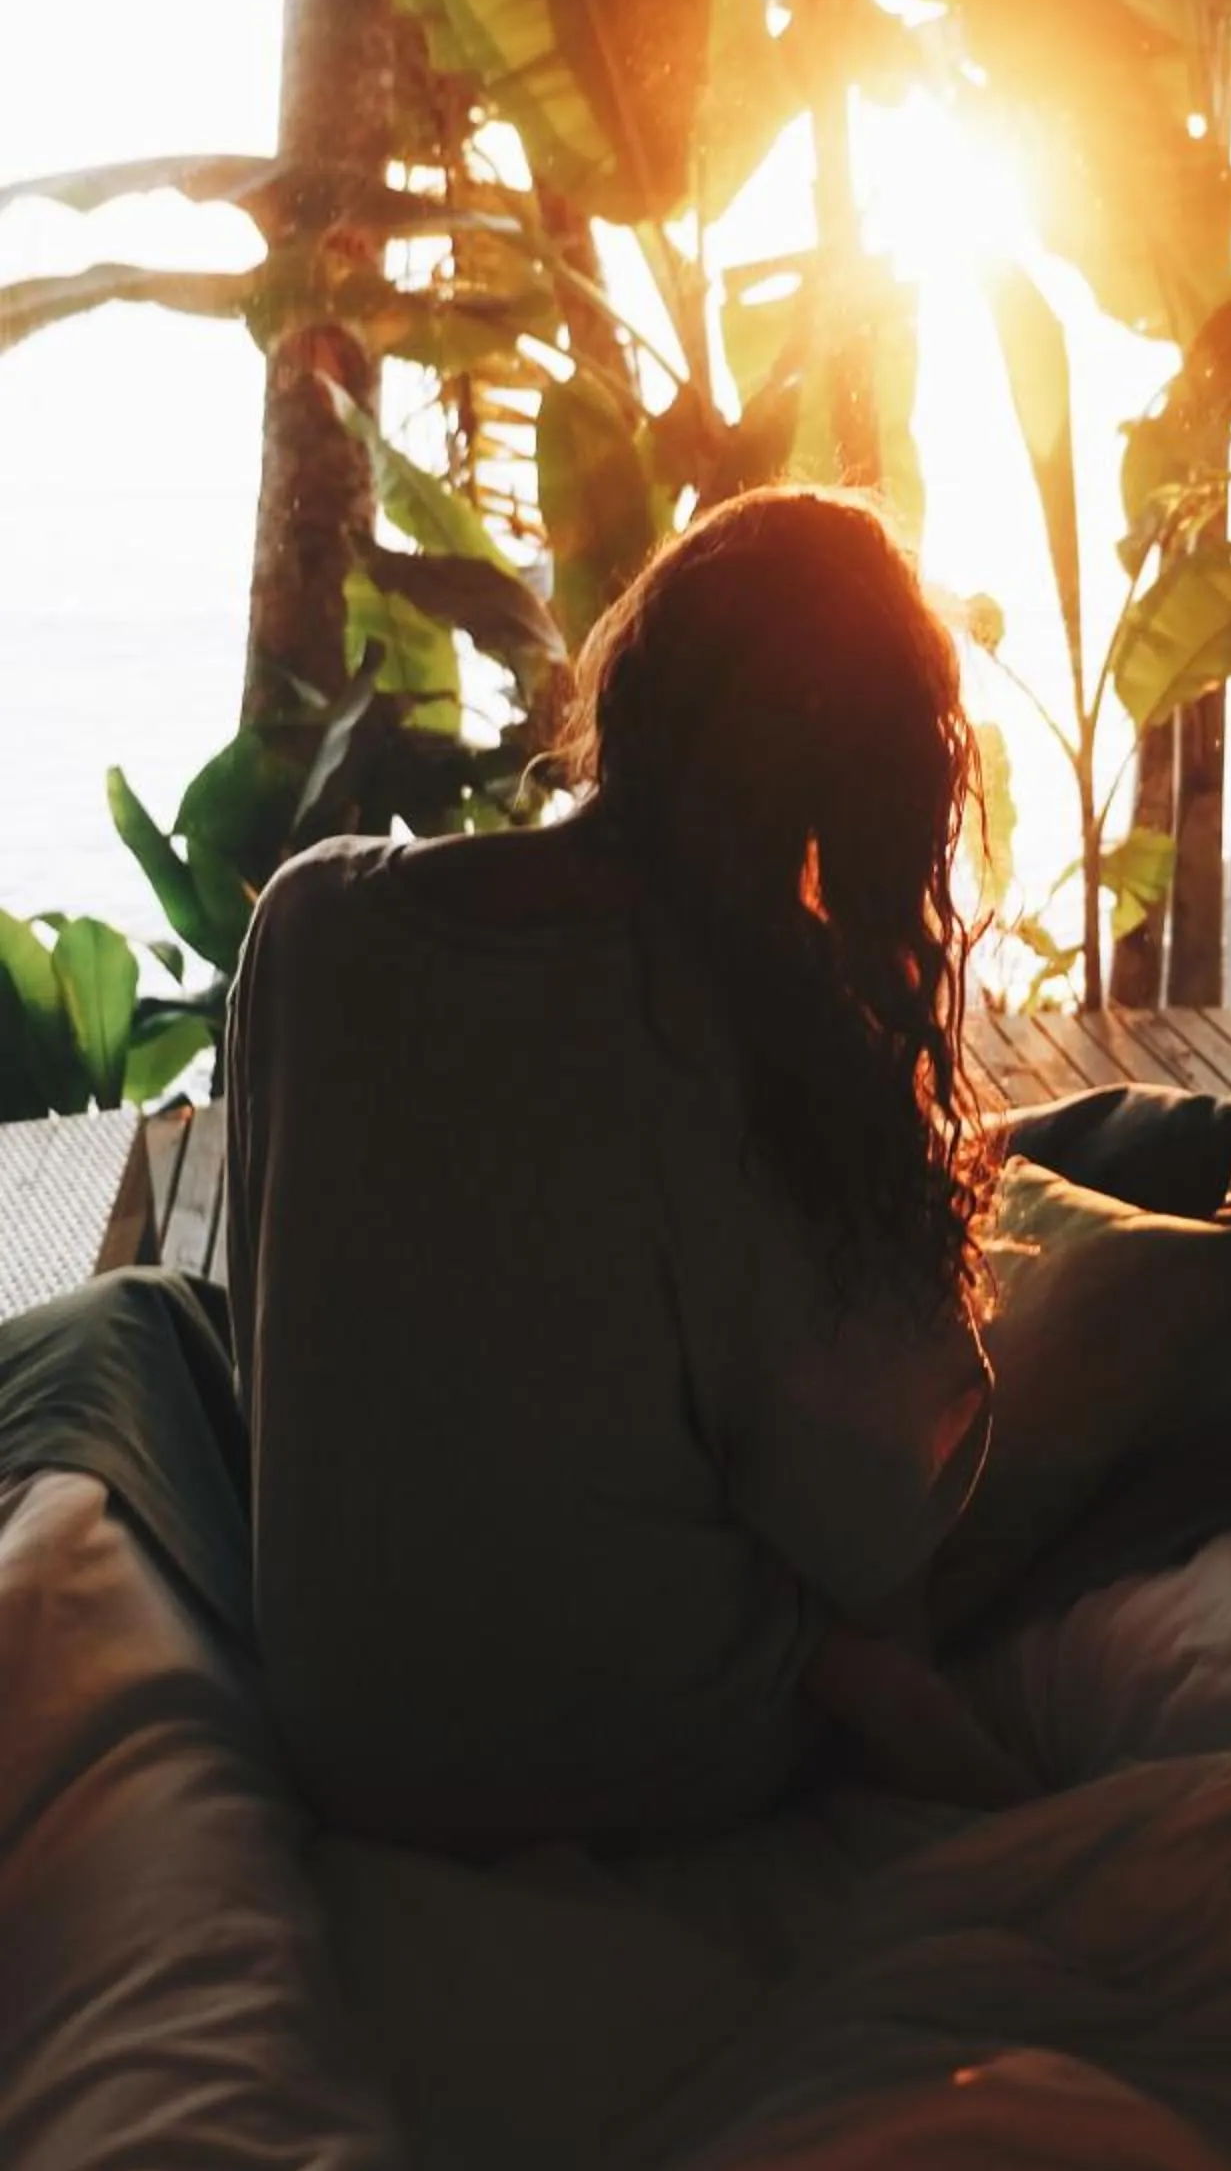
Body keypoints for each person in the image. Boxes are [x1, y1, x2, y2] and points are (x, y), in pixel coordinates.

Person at [225, 486, 1031, 1847]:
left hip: (342, 1727)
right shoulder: (750, 1032)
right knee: (1079, 1355)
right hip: (637, 1742)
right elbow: (873, 1516)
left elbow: (279, 1326)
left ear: (641, 683)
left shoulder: (308, 925)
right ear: (871, 780)